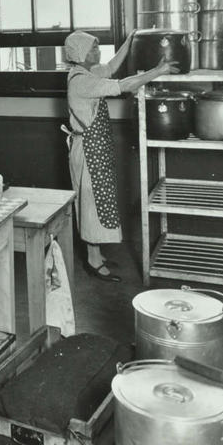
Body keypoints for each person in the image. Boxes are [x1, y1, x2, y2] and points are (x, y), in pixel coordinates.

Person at [63, 31, 176, 283]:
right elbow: (123, 85)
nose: (98, 52)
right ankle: (92, 261)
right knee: (91, 205)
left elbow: (113, 66)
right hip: (87, 151)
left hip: (97, 149)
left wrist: (130, 40)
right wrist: (158, 71)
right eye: (93, 49)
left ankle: (96, 254)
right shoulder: (80, 81)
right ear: (80, 54)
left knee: (98, 203)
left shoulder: (88, 72)